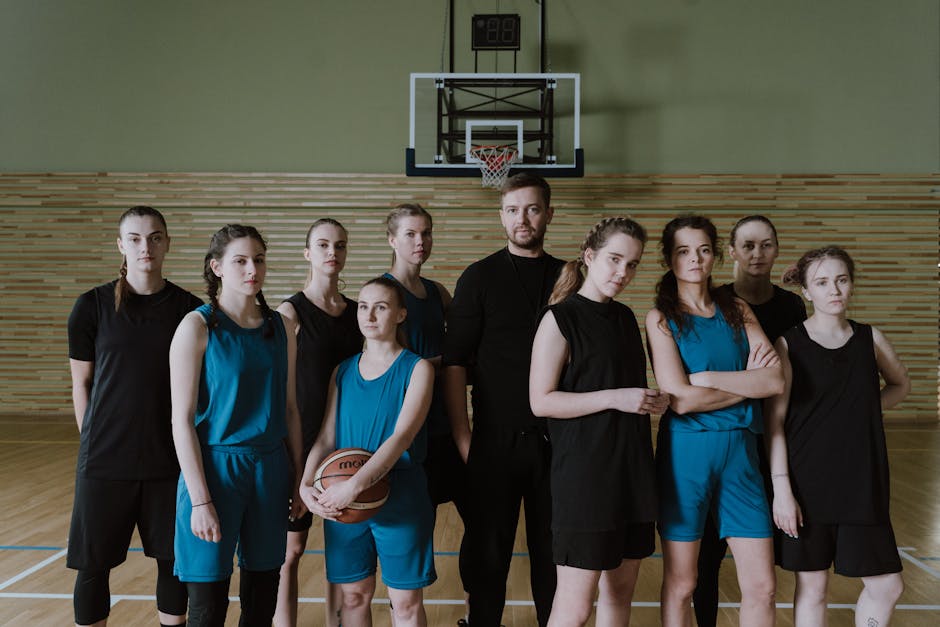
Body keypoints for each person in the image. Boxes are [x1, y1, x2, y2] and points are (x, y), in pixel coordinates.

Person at [645, 214, 784, 627]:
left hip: (741, 457)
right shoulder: (660, 318)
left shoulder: (736, 308)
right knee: (683, 584)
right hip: (686, 457)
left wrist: (707, 380)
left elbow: (775, 379)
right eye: (684, 251)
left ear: (716, 255)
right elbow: (681, 402)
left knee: (763, 586)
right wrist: (748, 385)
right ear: (670, 259)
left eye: (704, 250)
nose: (696, 259)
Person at [529, 217, 668, 627]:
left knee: (619, 596)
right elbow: (541, 401)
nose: (622, 272)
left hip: (632, 472)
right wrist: (618, 397)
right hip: (585, 480)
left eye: (632, 264)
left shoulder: (626, 318)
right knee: (573, 608)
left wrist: (650, 400)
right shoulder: (559, 319)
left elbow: (624, 394)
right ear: (590, 257)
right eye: (614, 260)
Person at [66, 206, 201, 627]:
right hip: (105, 461)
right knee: (92, 568)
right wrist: (92, 443)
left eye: (156, 237)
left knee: (173, 564)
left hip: (168, 461)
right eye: (137, 238)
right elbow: (81, 384)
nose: (147, 246)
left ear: (167, 243)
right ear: (121, 245)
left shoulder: (190, 310)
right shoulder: (91, 306)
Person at [443, 171, 563, 627]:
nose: (523, 219)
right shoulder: (479, 277)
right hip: (493, 443)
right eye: (513, 210)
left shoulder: (568, 276)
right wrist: (463, 436)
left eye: (532, 209)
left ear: (549, 213)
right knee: (487, 559)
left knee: (552, 557)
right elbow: (454, 362)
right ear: (501, 217)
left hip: (556, 442)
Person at [766, 247, 910, 626]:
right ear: (807, 292)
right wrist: (782, 489)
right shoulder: (788, 344)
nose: (834, 290)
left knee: (887, 585)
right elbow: (775, 422)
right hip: (806, 483)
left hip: (863, 482)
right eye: (822, 282)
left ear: (851, 285)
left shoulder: (870, 338)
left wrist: (863, 411)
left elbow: (899, 385)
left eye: (842, 280)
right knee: (813, 588)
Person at [169, 224, 304, 626]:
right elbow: (180, 421)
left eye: (259, 260)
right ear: (218, 267)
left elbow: (292, 409)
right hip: (214, 470)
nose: (252, 269)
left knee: (261, 602)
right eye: (241, 260)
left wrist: (297, 479)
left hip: (270, 467)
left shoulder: (282, 326)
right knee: (208, 606)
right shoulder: (197, 326)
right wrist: (200, 500)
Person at [300, 276, 436, 627]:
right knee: (354, 595)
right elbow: (326, 436)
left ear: (401, 315)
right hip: (344, 498)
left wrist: (354, 485)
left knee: (404, 603)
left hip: (399, 494)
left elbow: (402, 436)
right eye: (363, 306)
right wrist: (305, 485)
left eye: (381, 306)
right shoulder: (342, 372)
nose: (369, 315)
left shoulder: (418, 368)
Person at [693, 215, 806, 627]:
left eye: (766, 245)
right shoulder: (716, 301)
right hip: (721, 436)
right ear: (734, 251)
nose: (757, 254)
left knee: (761, 563)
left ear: (777, 250)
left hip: (772, 440)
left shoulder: (792, 305)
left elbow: (782, 378)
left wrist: (763, 380)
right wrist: (752, 380)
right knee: (706, 559)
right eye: (748, 245)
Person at [274, 218, 363, 627]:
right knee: (290, 551)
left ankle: (336, 622)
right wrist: (294, 460)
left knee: (339, 549)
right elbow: (281, 385)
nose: (333, 252)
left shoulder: (355, 313)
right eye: (323, 245)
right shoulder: (290, 312)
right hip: (300, 439)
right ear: (307, 253)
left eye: (340, 246)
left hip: (343, 443)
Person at [382, 204, 471, 598]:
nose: (421, 242)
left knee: (482, 520)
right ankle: (402, 609)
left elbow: (467, 336)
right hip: (409, 435)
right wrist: (443, 363)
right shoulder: (383, 292)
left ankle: (478, 609)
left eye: (427, 233)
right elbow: (389, 365)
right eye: (411, 234)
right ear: (392, 240)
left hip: (447, 427)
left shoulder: (438, 292)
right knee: (417, 532)